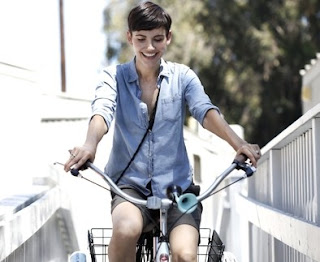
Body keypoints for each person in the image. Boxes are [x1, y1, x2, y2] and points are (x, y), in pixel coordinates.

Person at [64, 1, 261, 262]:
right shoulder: (113, 76)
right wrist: (90, 144)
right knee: (125, 230)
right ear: (129, 38)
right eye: (141, 39)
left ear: (168, 38)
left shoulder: (183, 76)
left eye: (157, 39)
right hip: (129, 187)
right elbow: (102, 110)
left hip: (178, 189)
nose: (149, 47)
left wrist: (238, 143)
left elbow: (204, 110)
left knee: (186, 254)